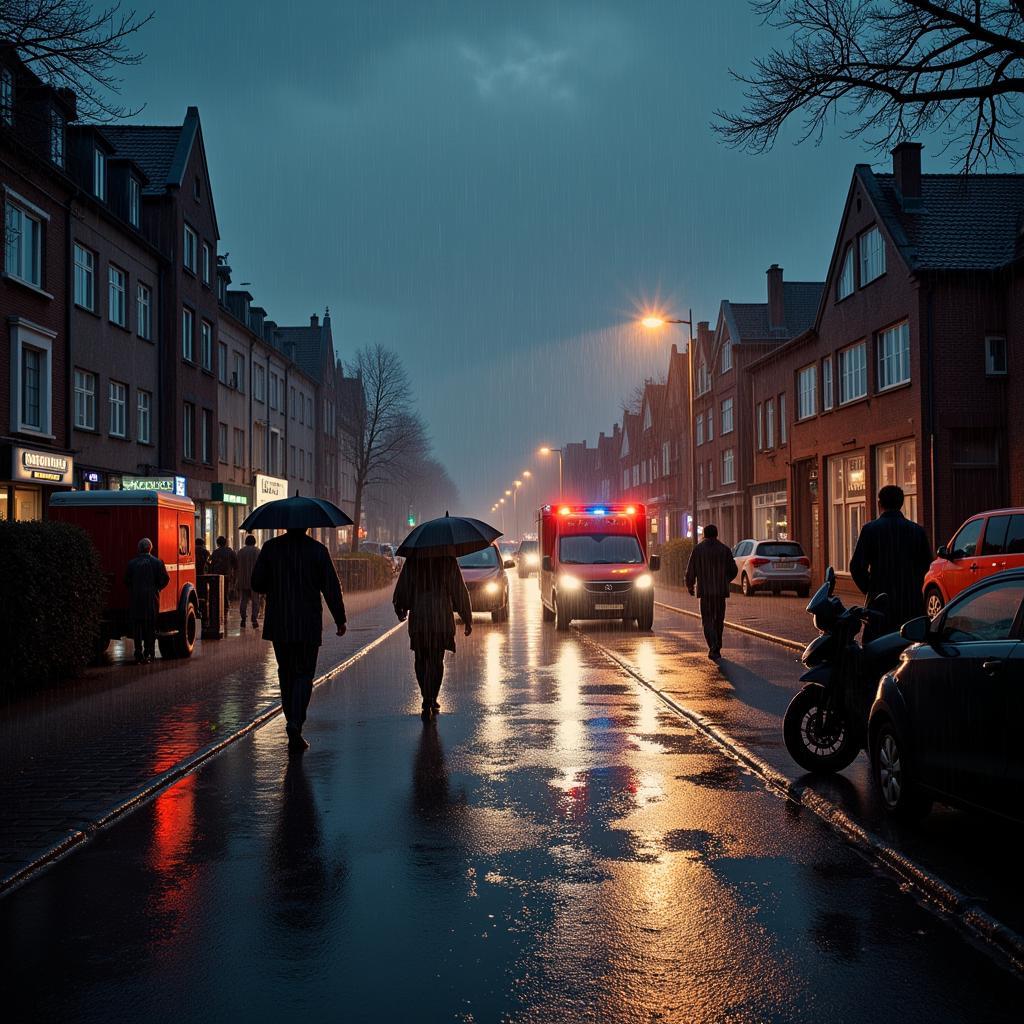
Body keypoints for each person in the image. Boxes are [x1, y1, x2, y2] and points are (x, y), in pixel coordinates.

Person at [251, 527, 347, 752]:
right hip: (307, 624)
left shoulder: (271, 548)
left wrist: (277, 582)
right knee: (304, 673)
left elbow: (257, 583)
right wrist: (340, 618)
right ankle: (296, 723)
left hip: (280, 623)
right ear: (307, 527)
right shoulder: (317, 551)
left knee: (286, 673)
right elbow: (331, 588)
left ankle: (290, 719)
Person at [393, 555, 473, 718]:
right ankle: (432, 696)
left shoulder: (414, 560)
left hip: (420, 619)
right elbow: (459, 590)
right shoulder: (448, 560)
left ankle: (425, 696)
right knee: (437, 660)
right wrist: (467, 617)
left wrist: (400, 607)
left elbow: (403, 588)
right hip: (440, 618)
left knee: (421, 659)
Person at [850, 484, 933, 642]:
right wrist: (913, 586)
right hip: (910, 606)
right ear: (901, 504)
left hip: (880, 608)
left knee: (876, 652)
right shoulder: (917, 531)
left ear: (879, 504)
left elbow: (856, 567)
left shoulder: (870, 530)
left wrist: (871, 589)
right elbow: (927, 566)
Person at [685, 524, 738, 660]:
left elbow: (691, 570)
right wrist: (724, 580)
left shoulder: (698, 550)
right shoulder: (724, 550)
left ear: (704, 534)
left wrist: (690, 585)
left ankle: (712, 646)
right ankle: (717, 646)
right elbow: (733, 570)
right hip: (720, 592)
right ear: (716, 534)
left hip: (705, 592)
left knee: (707, 620)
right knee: (719, 620)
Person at [124, 537, 170, 664]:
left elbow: (126, 581)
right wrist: (157, 588)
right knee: (150, 627)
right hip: (151, 600)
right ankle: (149, 652)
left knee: (137, 627)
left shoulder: (132, 563)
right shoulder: (157, 563)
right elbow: (165, 579)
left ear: (139, 548)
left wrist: (134, 589)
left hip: (136, 600)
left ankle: (138, 652)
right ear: (150, 548)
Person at [237, 533, 262, 629]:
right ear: (254, 542)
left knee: (243, 600)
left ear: (245, 542)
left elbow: (237, 567)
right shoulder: (258, 552)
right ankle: (254, 619)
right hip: (255, 580)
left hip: (243, 579)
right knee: (255, 601)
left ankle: (243, 619)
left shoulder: (240, 552)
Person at [208, 535, 238, 601]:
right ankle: (225, 605)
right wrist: (234, 575)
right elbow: (236, 564)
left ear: (217, 543)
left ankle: (221, 605)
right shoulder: (230, 551)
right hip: (227, 575)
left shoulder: (215, 552)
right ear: (225, 543)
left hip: (217, 576)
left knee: (218, 592)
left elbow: (211, 563)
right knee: (226, 591)